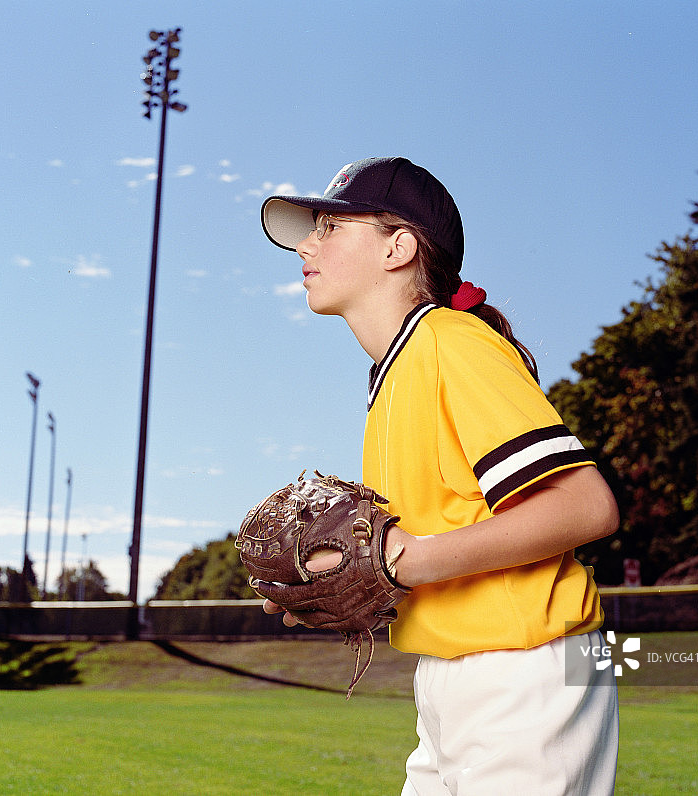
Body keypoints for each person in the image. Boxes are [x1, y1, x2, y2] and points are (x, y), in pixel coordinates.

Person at [259, 156, 620, 795]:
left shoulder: (451, 342)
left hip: (524, 674)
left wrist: (405, 561)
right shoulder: (394, 375)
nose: (308, 245)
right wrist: (340, 587)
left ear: (398, 247)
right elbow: (437, 539)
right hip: (452, 683)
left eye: (332, 227)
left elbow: (585, 507)